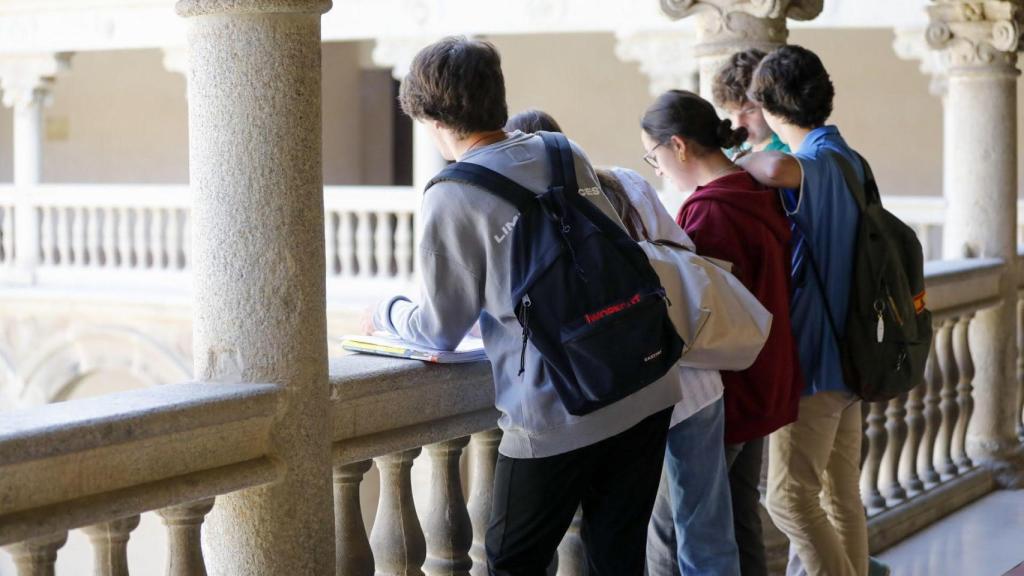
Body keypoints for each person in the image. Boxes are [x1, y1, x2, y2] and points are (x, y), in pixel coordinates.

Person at [371, 37, 681, 576]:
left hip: (558, 407)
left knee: (512, 562)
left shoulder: (452, 192)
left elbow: (438, 330)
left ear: (432, 117)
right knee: (618, 557)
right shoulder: (562, 151)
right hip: (643, 379)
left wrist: (389, 312)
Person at [506, 108, 737, 576]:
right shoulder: (623, 183)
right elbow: (683, 257)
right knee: (697, 528)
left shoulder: (528, 215)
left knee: (652, 534)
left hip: (616, 391)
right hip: (682, 372)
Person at [640, 90, 804, 576]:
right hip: (764, 376)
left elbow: (699, 317)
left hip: (724, 391)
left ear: (679, 146)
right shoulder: (754, 191)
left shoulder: (710, 211)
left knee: (672, 529)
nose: (658, 170)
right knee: (737, 515)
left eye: (654, 158)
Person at [736, 45, 870, 576]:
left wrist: (737, 155)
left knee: (788, 499)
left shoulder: (810, 164)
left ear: (768, 107)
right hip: (854, 354)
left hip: (816, 362)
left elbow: (773, 165)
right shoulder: (848, 157)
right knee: (840, 498)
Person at [711, 49, 788, 156]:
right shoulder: (731, 150)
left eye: (750, 111)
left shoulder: (790, 152)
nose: (738, 124)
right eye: (731, 112)